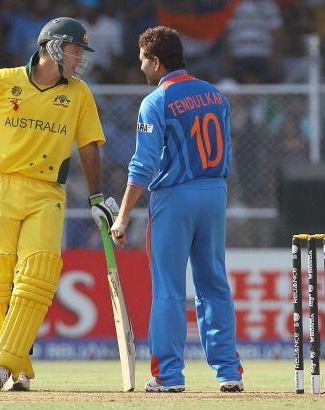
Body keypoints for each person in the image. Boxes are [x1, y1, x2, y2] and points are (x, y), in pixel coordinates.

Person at [0, 16, 118, 392]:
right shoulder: (4, 80)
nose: (79, 58)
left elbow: (88, 145)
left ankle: (3, 365)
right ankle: (18, 367)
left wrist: (97, 197)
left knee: (37, 275)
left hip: (47, 192)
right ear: (52, 47)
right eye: (74, 50)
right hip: (2, 187)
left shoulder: (78, 93)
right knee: (0, 277)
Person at [110, 26, 243, 393]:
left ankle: (169, 377)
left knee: (168, 289)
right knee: (214, 285)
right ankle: (228, 372)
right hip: (215, 192)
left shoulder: (157, 100)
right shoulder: (215, 95)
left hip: (175, 196)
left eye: (142, 62)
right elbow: (226, 151)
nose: (141, 69)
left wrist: (123, 215)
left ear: (156, 61)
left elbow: (142, 165)